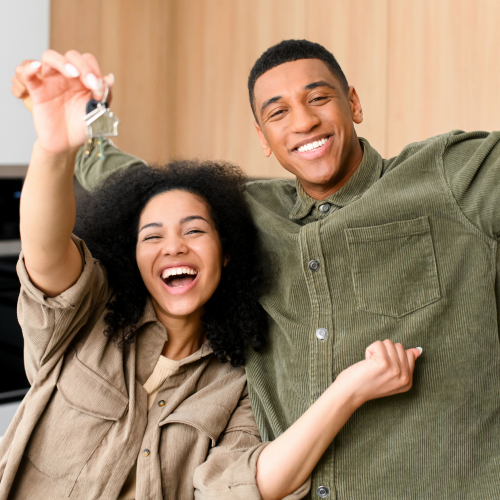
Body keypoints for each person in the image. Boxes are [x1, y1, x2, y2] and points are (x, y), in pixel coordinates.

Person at [0, 51, 421, 500]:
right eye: (152, 236)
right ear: (134, 255)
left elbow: (243, 484)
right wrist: (53, 147)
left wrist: (347, 392)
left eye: (194, 231)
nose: (174, 246)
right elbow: (45, 251)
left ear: (226, 255)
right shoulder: (87, 321)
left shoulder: (239, 379)